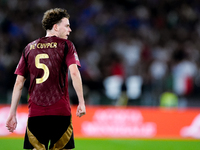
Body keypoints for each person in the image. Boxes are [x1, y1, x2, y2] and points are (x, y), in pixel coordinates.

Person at [6, 8, 86, 150]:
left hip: (36, 113)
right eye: (67, 26)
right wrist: (81, 101)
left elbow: (19, 82)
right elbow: (74, 73)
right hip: (60, 112)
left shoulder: (29, 48)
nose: (70, 30)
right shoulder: (66, 46)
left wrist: (12, 113)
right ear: (56, 27)